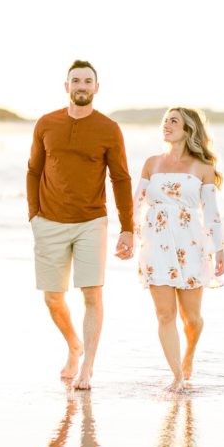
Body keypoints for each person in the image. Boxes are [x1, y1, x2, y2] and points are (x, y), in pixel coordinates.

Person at [26, 60, 133, 390]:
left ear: (96, 88)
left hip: (91, 222)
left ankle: (87, 367)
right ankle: (74, 344)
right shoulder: (46, 124)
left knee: (92, 295)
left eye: (88, 81)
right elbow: (33, 170)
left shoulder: (109, 129)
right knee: (52, 298)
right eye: (76, 81)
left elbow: (120, 178)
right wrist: (34, 215)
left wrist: (128, 227)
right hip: (49, 221)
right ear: (67, 87)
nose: (82, 86)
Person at [133, 107, 224, 392]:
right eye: (165, 121)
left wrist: (219, 250)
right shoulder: (152, 163)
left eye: (173, 121)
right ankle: (177, 376)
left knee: (192, 319)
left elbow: (211, 212)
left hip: (190, 245)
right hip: (156, 245)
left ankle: (189, 353)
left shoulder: (203, 168)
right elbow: (135, 204)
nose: (167, 125)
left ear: (188, 130)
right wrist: (128, 237)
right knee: (165, 315)